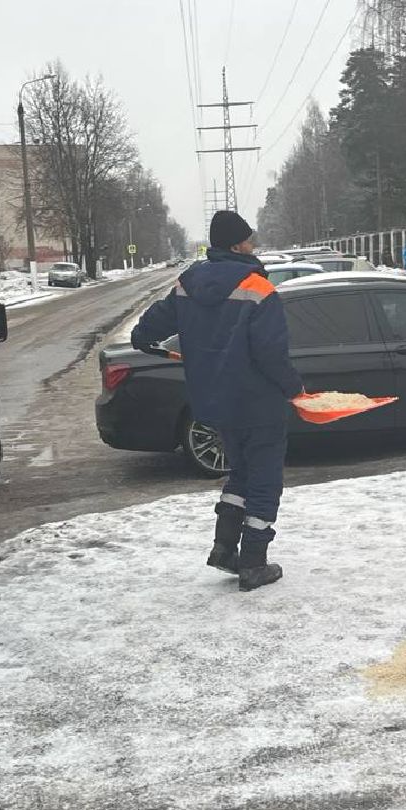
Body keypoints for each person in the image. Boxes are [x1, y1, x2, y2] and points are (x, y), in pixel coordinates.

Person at [131, 211, 303, 592]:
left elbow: (149, 327)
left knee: (241, 474)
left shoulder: (187, 284)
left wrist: (143, 338)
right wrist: (294, 389)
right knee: (264, 482)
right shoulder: (258, 289)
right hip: (259, 404)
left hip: (217, 404)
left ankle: (224, 549)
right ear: (237, 245)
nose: (253, 245)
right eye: (249, 240)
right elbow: (271, 355)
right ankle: (254, 563)